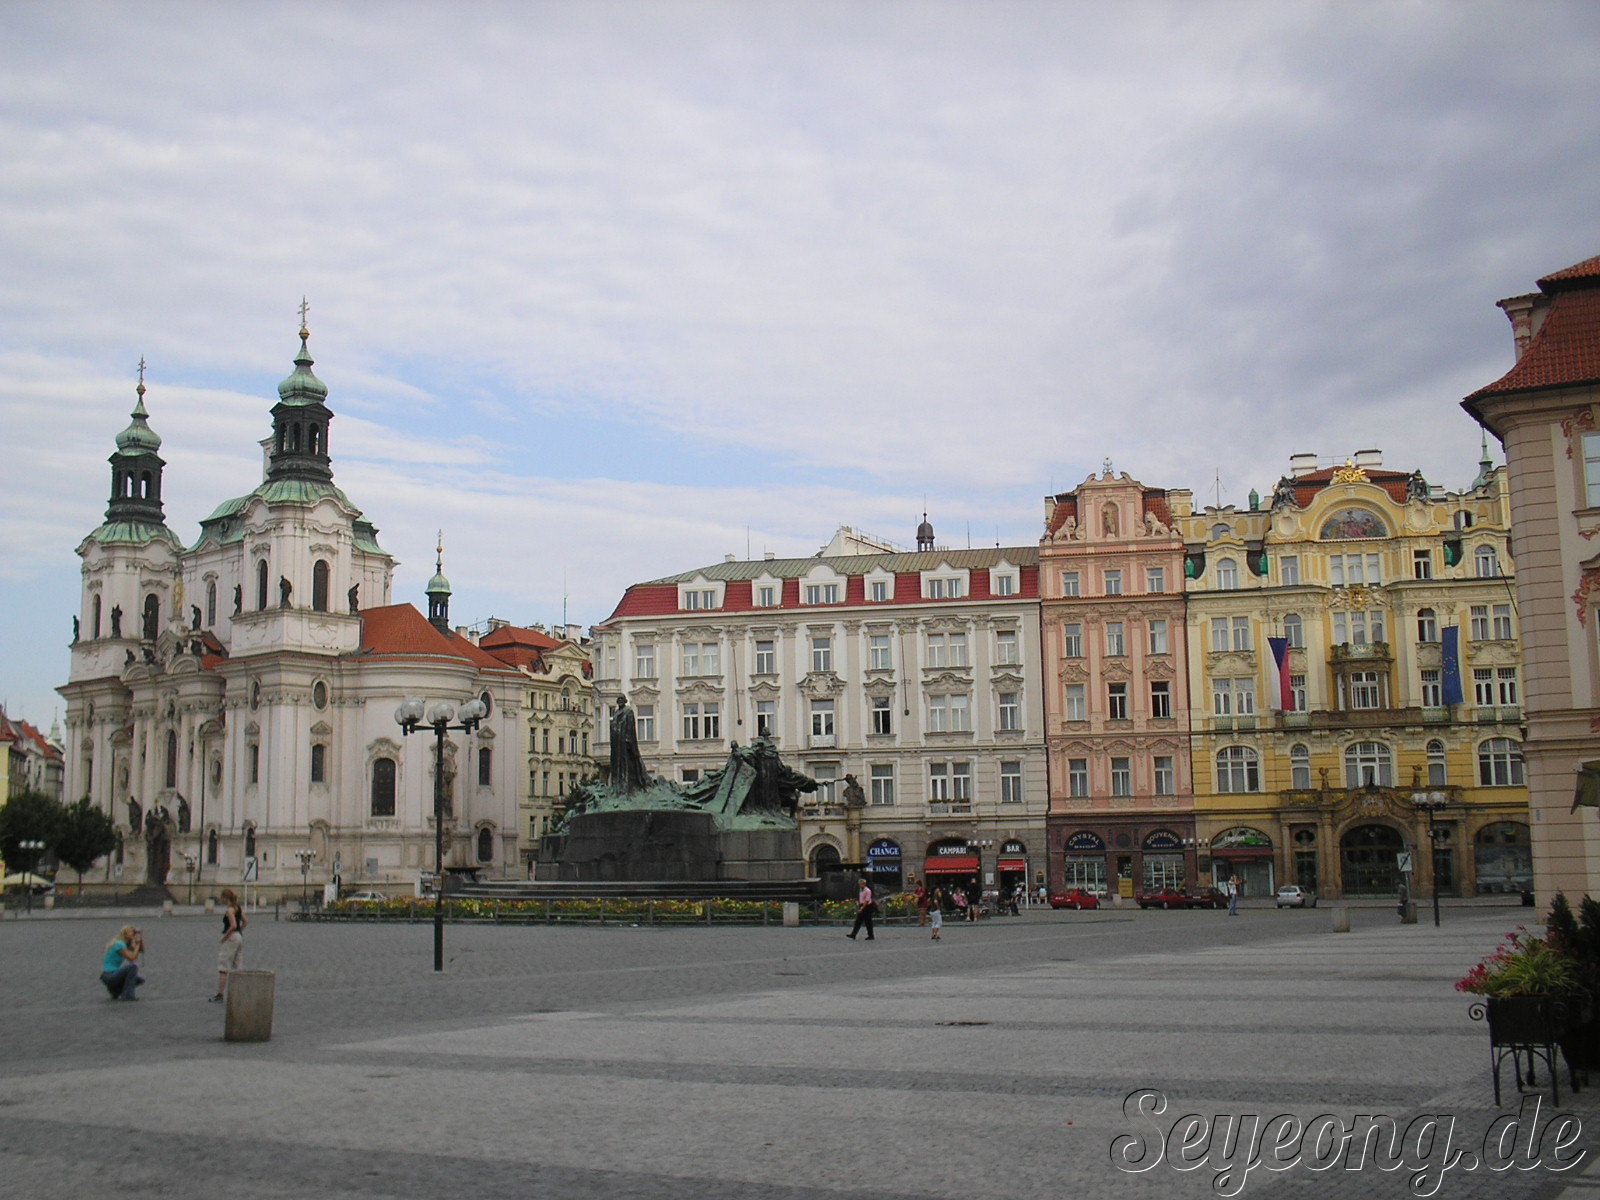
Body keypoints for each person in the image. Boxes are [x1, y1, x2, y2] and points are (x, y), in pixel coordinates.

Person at [212, 888, 247, 1001]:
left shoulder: (230, 910)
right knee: (238, 966)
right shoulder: (238, 908)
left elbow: (233, 925)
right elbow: (246, 921)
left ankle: (220, 994)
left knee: (223, 966)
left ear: (225, 898)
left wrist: (225, 937)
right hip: (239, 937)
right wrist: (239, 931)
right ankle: (240, 992)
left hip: (231, 938)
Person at [101, 925, 144, 1000]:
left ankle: (116, 991)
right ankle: (128, 995)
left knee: (140, 979)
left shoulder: (125, 944)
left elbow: (141, 950)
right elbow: (132, 958)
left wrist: (140, 941)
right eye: (131, 932)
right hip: (109, 975)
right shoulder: (119, 944)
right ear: (125, 934)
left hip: (113, 975)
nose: (133, 933)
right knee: (133, 967)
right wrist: (137, 944)